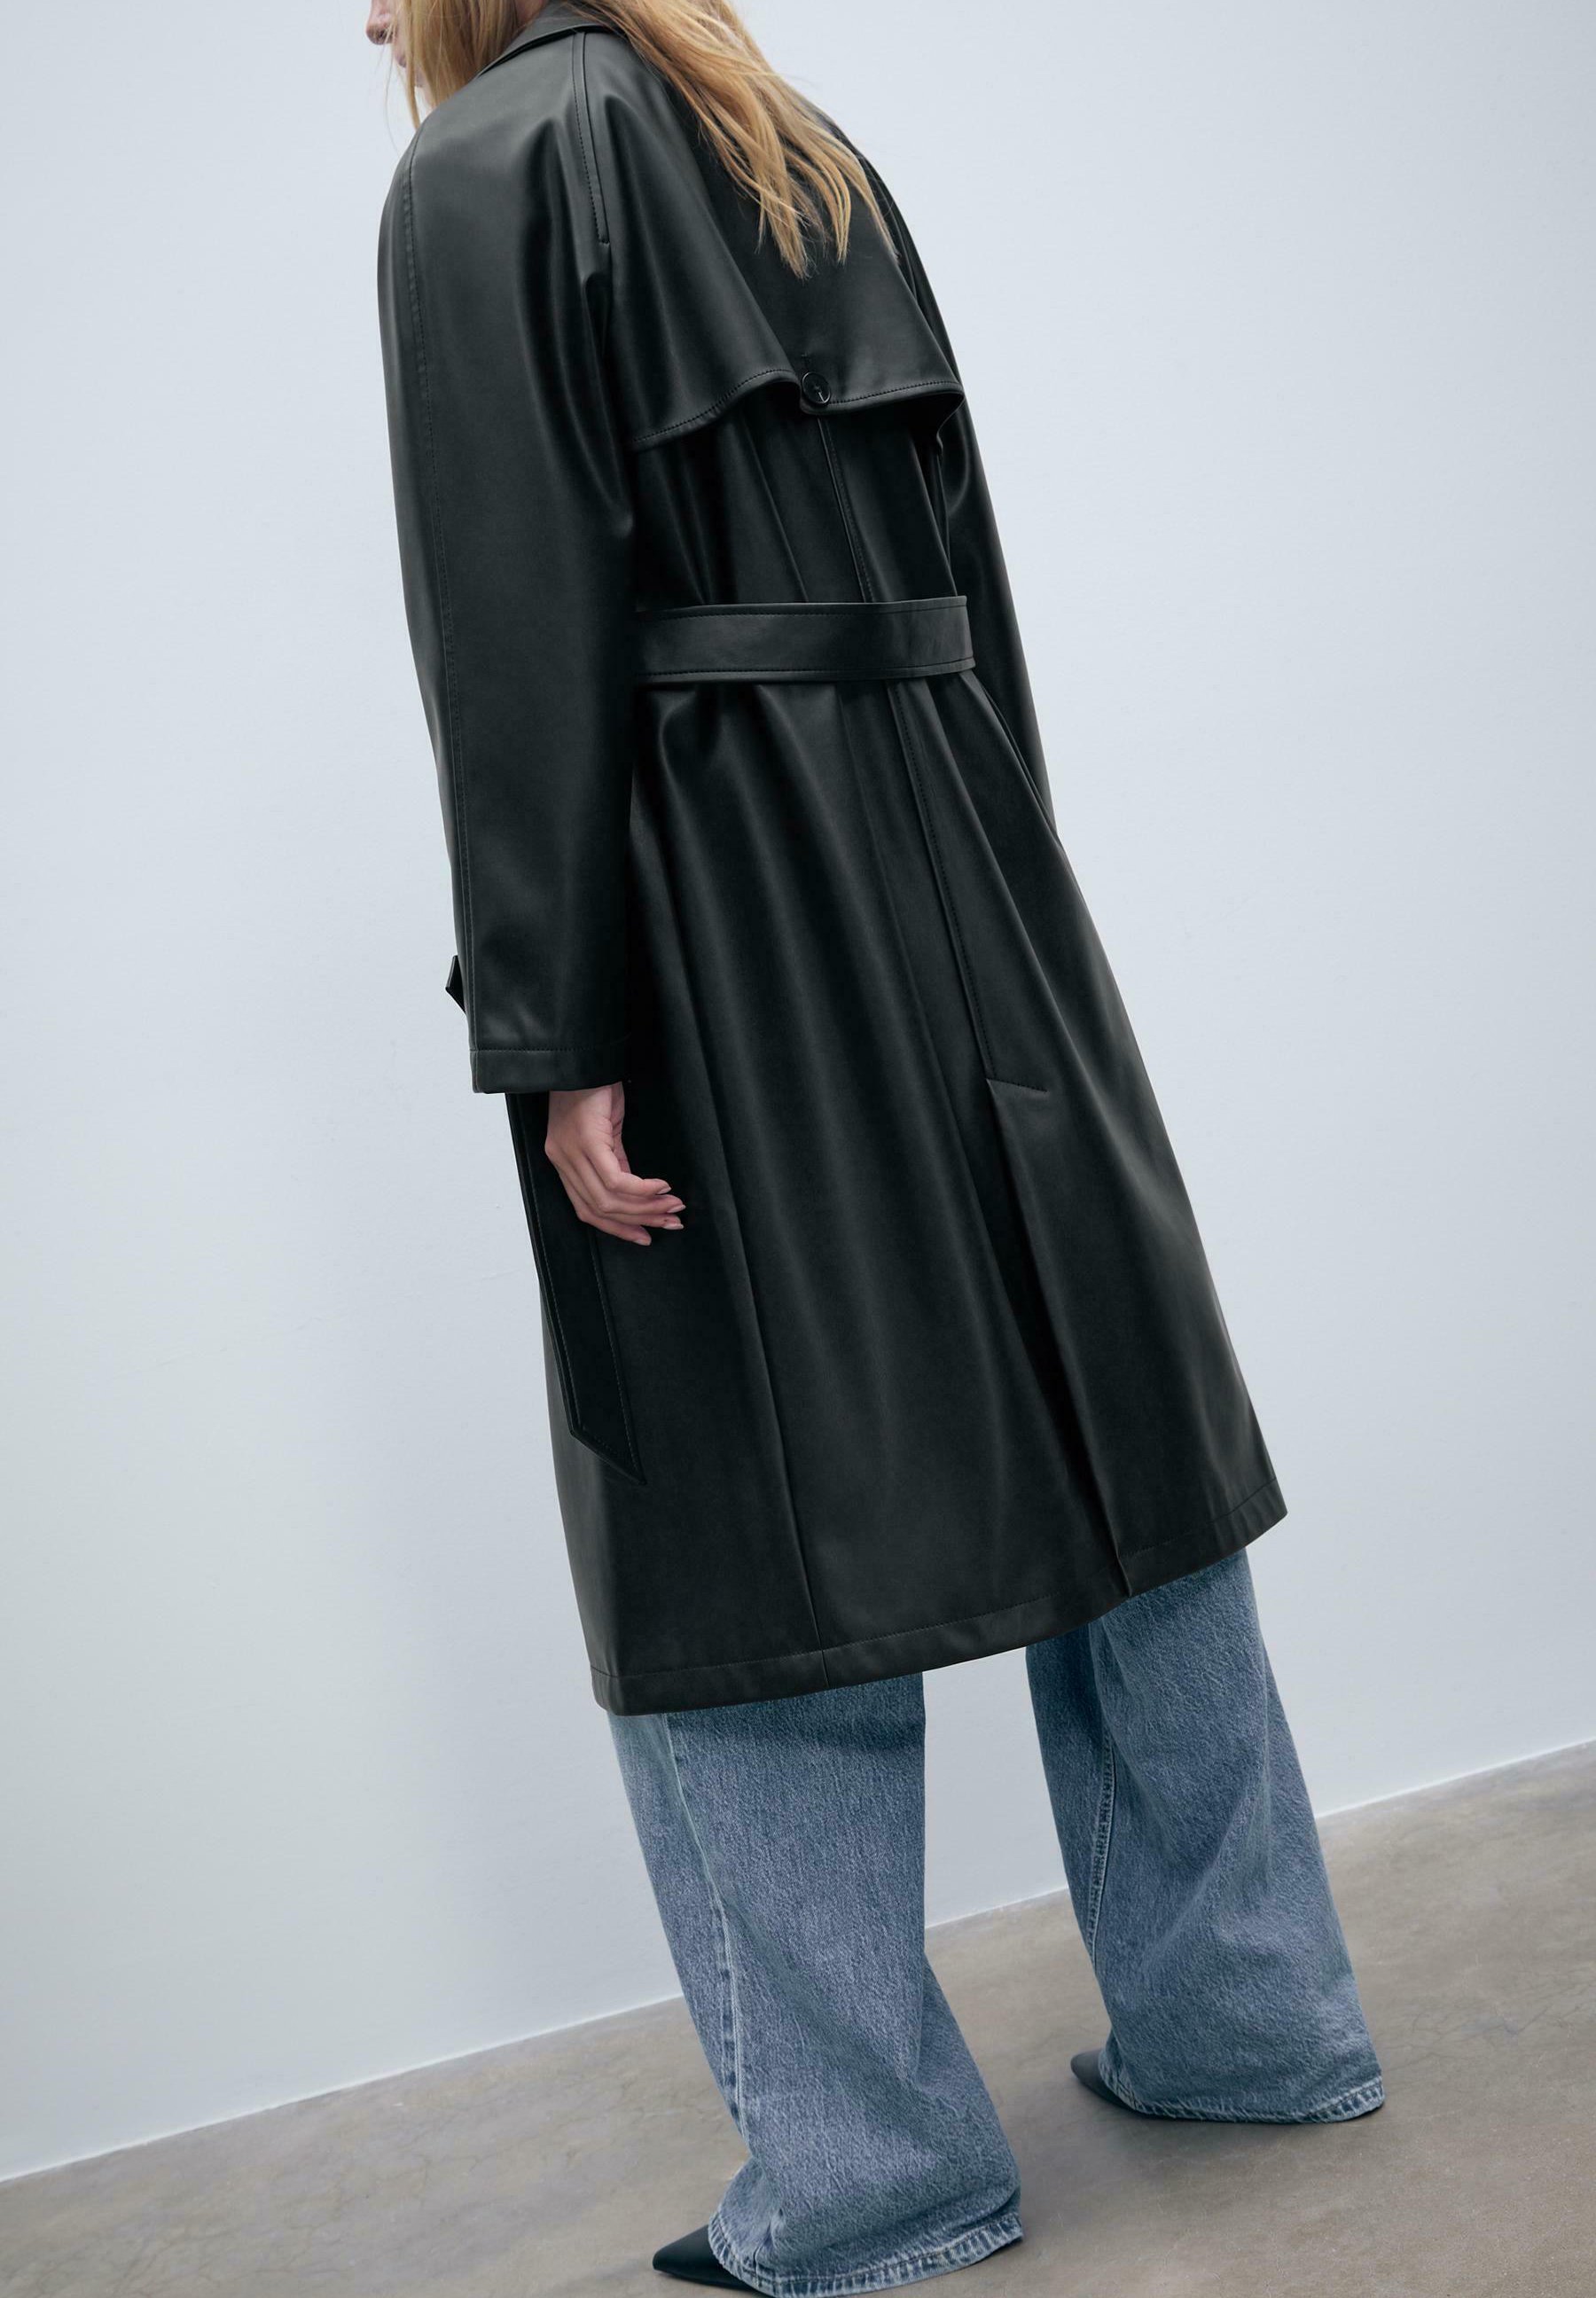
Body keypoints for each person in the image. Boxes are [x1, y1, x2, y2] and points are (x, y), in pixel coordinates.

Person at [369, 3, 1385, 2288]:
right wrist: (1011, 876)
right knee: (1116, 1455)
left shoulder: (483, 168)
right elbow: (970, 553)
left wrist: (558, 1029)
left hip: (719, 909)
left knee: (739, 1531)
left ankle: (874, 2182)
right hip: (965, 849)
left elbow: (510, 627)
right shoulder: (786, 133)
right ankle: (1254, 2028)